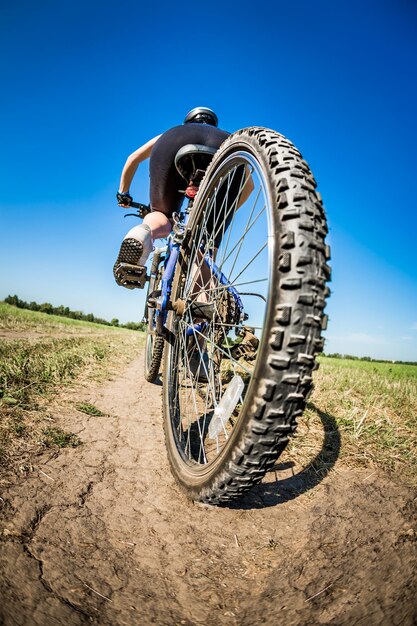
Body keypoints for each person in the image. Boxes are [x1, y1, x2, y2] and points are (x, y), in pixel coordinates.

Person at [113, 107, 230, 289]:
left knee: (161, 215)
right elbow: (249, 186)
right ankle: (201, 307)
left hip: (175, 143)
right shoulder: (226, 137)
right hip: (224, 149)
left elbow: (133, 158)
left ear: (189, 121)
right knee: (207, 246)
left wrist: (124, 194)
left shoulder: (174, 131)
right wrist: (226, 209)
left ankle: (143, 233)